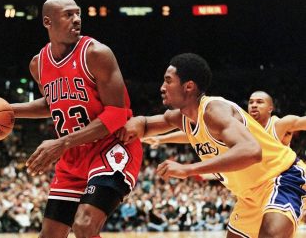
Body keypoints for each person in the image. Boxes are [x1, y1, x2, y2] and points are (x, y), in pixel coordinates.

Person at [116, 53, 306, 238]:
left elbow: (251, 151)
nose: (162, 87)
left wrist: (188, 169)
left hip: (281, 177)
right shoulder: (181, 118)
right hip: (249, 195)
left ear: (188, 86)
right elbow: (147, 124)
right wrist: (134, 123)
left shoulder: (214, 110)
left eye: (168, 81)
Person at [10, 0, 142, 238]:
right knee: (50, 234)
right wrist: (10, 111)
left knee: (84, 224)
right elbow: (54, 103)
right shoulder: (37, 64)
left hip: (111, 147)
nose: (77, 19)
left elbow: (118, 113)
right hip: (73, 156)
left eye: (78, 13)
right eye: (68, 14)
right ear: (48, 22)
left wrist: (62, 143)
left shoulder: (96, 53)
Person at [143, 91, 306, 149]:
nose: (254, 105)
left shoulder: (280, 124)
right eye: (251, 102)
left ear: (271, 108)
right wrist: (161, 139)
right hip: (258, 184)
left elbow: (300, 122)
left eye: (259, 102)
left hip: (284, 181)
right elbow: (199, 135)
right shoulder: (240, 124)